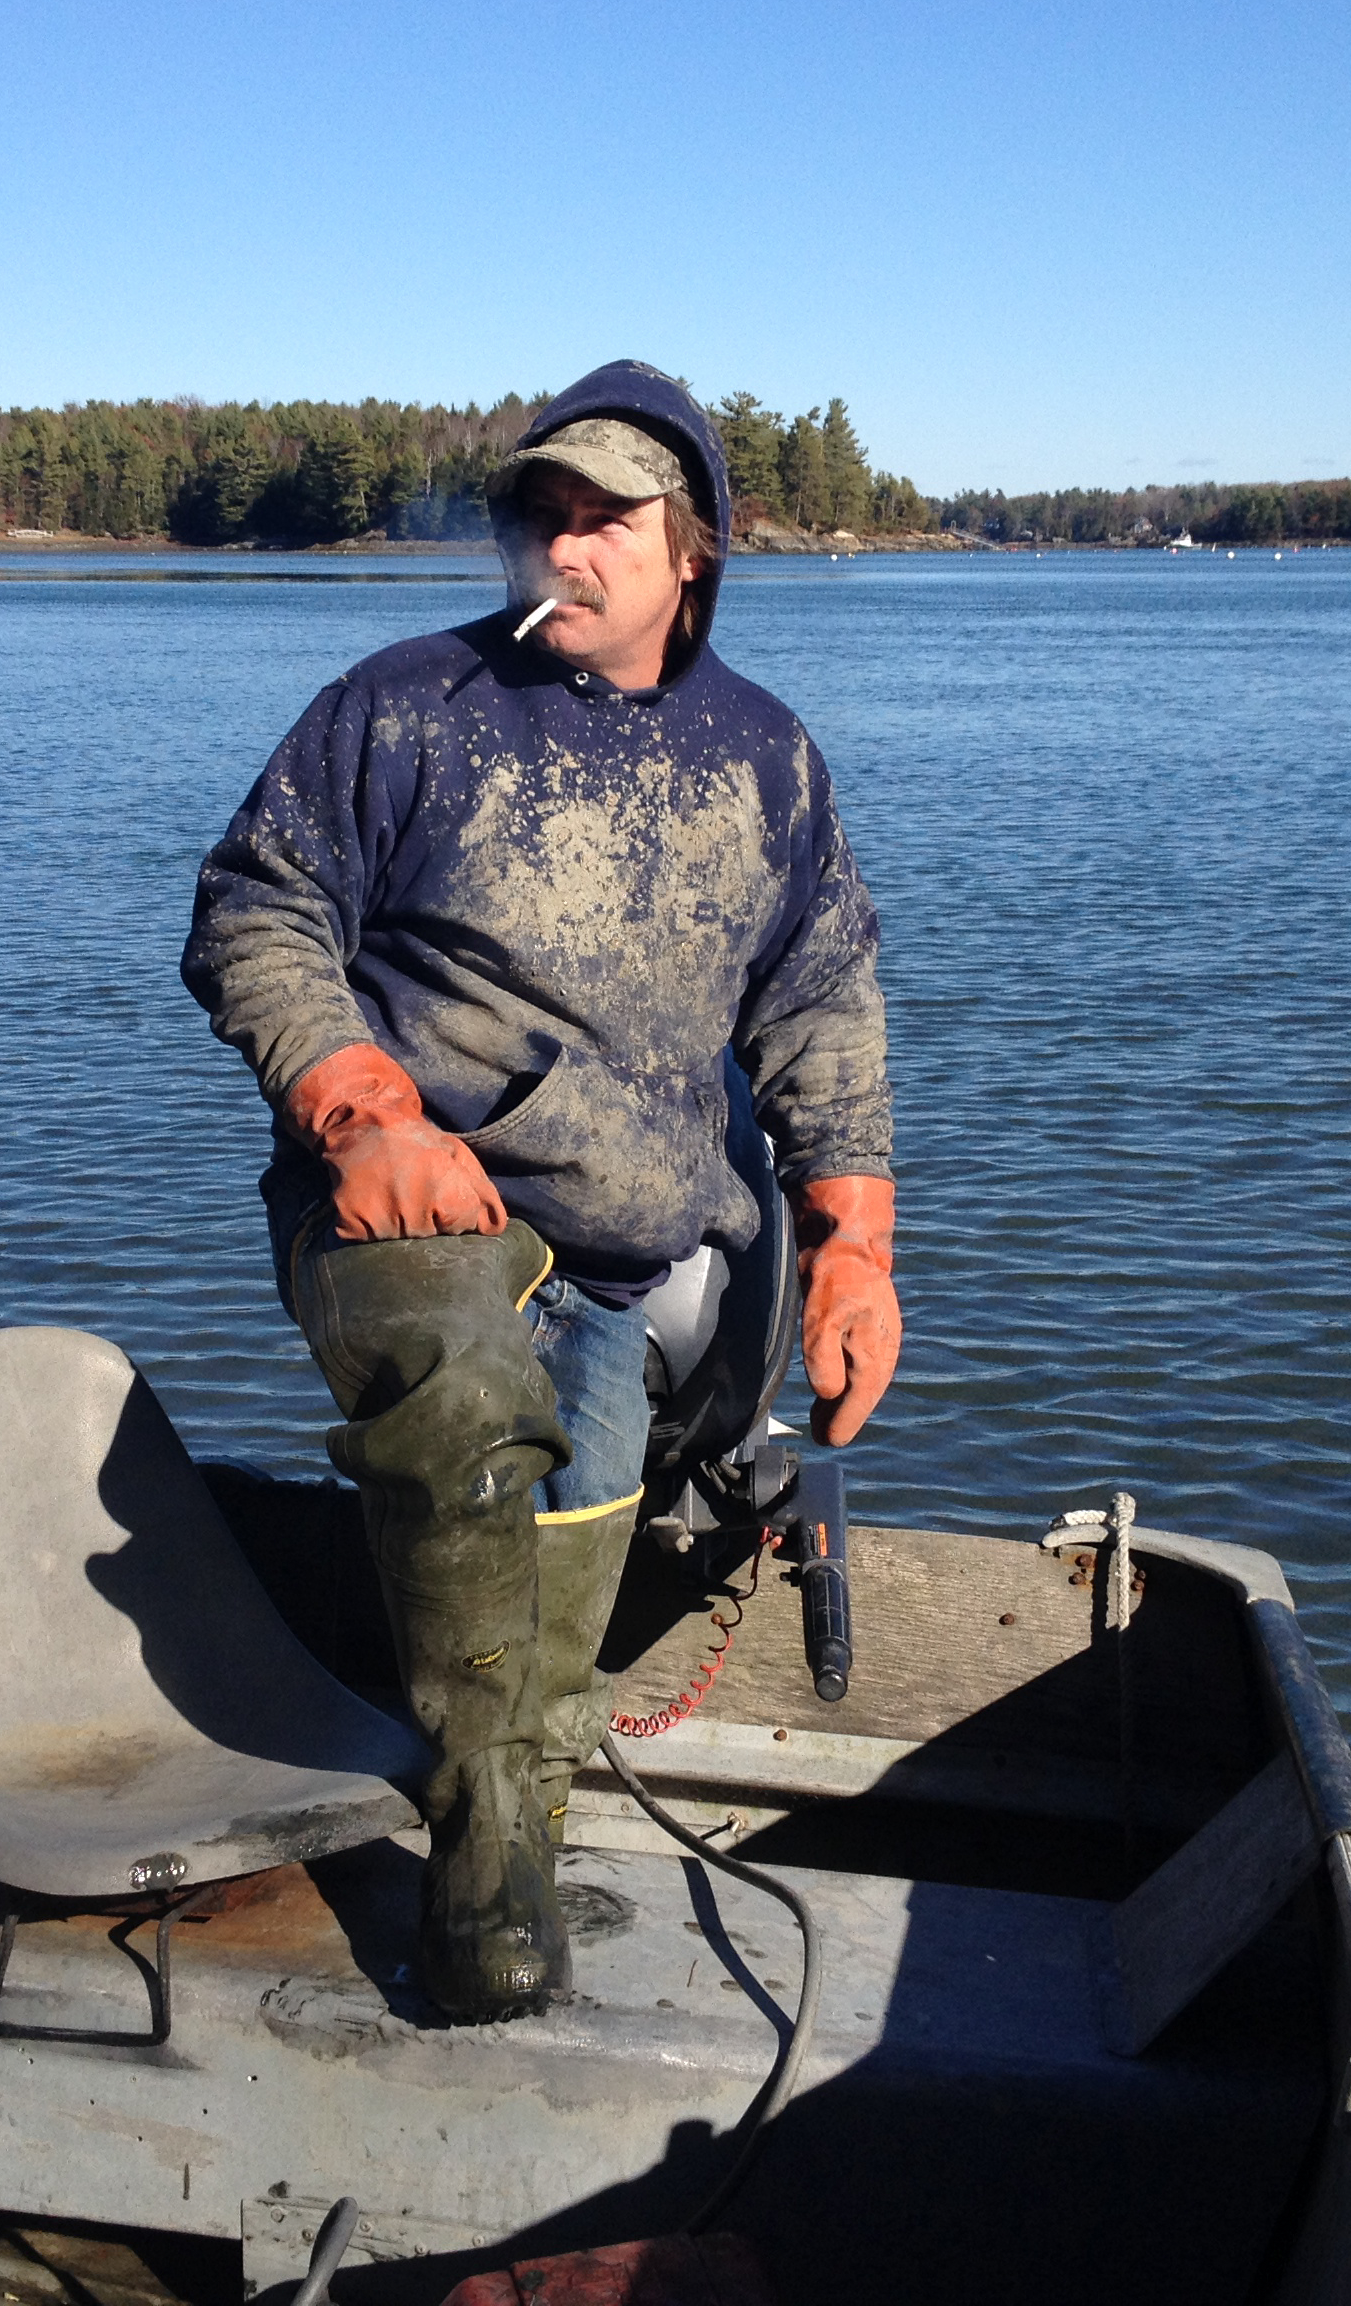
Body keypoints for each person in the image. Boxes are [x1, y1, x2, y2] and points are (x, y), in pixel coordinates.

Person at [181, 361, 898, 2020]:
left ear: (692, 550)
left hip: (634, 1238)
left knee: (581, 1482)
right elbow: (254, 912)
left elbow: (822, 1008)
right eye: (542, 517)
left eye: (605, 522)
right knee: (463, 1389)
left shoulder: (767, 759)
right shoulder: (406, 706)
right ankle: (488, 1838)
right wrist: (362, 1110)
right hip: (399, 1202)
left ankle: (532, 1764)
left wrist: (853, 1245)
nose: (563, 549)